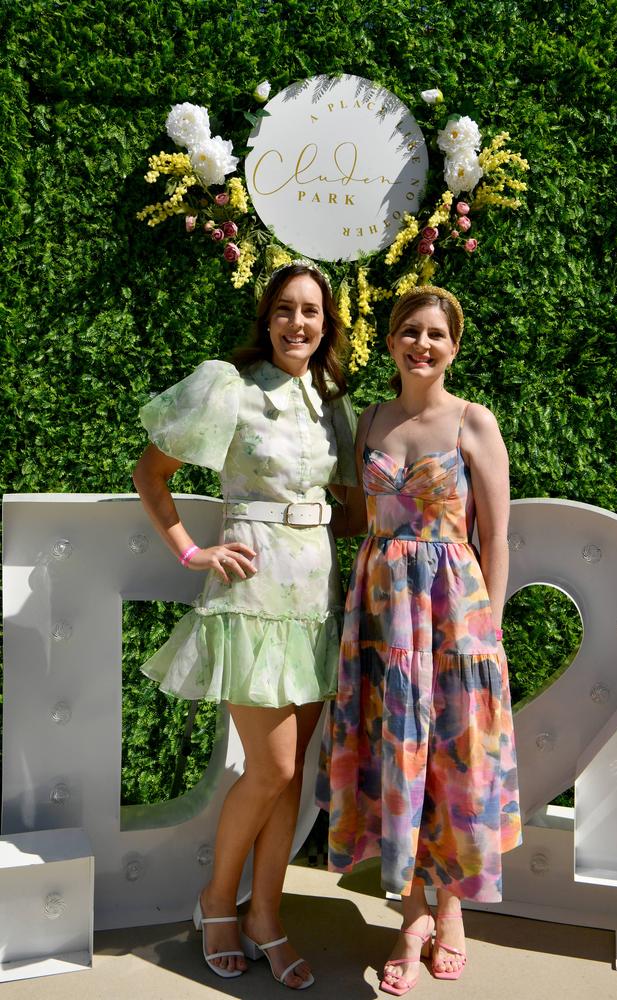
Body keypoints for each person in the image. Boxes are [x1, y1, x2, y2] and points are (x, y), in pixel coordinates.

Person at [133, 263, 358, 991]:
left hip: (318, 594)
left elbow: (353, 505)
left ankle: (266, 914)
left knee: (291, 784)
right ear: (267, 317)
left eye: (313, 313)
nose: (300, 323)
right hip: (253, 596)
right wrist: (193, 550)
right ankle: (215, 903)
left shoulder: (334, 402)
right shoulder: (228, 386)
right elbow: (152, 471)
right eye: (287, 310)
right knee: (275, 768)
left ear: (327, 324)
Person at [319, 286, 521, 993]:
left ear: (454, 346)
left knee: (453, 761)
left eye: (436, 334)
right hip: (380, 619)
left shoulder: (474, 423)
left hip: (452, 619)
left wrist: (486, 631)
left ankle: (453, 912)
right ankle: (410, 916)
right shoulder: (369, 419)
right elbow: (352, 517)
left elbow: (495, 537)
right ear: (393, 340)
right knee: (395, 758)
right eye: (410, 331)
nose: (422, 345)